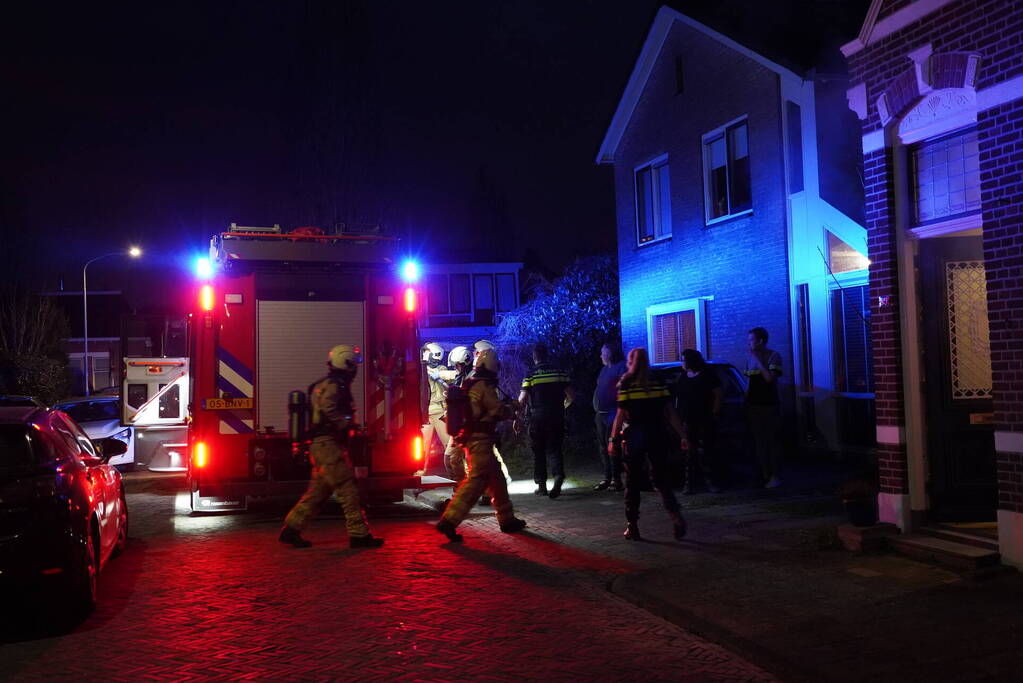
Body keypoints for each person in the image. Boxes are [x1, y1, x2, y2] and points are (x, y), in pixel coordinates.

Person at [279, 344, 384, 549]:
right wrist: (346, 424)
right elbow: (329, 407)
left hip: (321, 446)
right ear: (347, 364)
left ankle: (292, 529)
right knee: (348, 489)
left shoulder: (326, 383)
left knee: (318, 492)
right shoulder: (336, 385)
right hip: (328, 445)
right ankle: (359, 535)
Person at [436, 348, 527, 542]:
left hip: (475, 439)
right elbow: (498, 411)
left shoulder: (473, 383)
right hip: (480, 441)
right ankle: (449, 521)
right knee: (475, 483)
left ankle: (507, 519)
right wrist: (514, 407)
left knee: (498, 480)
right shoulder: (484, 386)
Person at [608, 347, 687, 541]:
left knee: (633, 482)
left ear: (631, 362)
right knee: (661, 479)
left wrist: (612, 439)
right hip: (658, 433)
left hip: (635, 435)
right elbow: (670, 412)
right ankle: (676, 517)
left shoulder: (626, 382)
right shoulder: (657, 380)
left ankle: (632, 526)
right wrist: (682, 435)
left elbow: (620, 415)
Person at [516, 343, 574, 498]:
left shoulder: (531, 374)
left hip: (537, 417)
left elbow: (522, 399)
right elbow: (571, 397)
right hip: (556, 416)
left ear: (534, 357)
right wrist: (562, 408)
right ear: (547, 355)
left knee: (538, 451)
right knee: (555, 448)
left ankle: (541, 486)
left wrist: (516, 415)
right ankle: (558, 475)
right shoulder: (560, 372)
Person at [675, 349, 723, 494]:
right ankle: (689, 484)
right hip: (688, 420)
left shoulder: (707, 374)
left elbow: (718, 394)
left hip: (704, 419)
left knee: (705, 452)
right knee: (689, 453)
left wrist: (715, 412)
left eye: (684, 360)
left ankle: (710, 482)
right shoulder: (683, 376)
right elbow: (679, 397)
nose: (682, 362)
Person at [744, 327, 784, 488]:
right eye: (748, 341)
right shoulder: (749, 358)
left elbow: (769, 380)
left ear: (761, 341)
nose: (749, 344)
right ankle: (764, 474)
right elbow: (749, 383)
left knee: (772, 441)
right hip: (754, 405)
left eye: (751, 340)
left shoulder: (774, 356)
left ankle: (775, 475)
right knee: (759, 442)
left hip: (769, 405)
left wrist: (758, 360)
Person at [592, 342, 627, 492]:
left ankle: (616, 479)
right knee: (602, 447)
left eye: (602, 352)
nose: (600, 355)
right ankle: (607, 477)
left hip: (613, 413)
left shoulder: (621, 367)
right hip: (601, 414)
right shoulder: (604, 370)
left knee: (612, 446)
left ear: (610, 353)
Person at [422, 341, 456, 474]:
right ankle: (419, 479)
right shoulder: (421, 369)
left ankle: (458, 476)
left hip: (440, 412)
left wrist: (440, 375)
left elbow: (452, 375)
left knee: (451, 446)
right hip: (425, 415)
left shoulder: (440, 370)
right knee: (422, 450)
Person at [442, 345, 472, 484]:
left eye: (457, 366)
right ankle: (463, 486)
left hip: (468, 425)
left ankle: (465, 488)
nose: (455, 369)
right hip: (460, 425)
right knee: (450, 459)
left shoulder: (473, 380)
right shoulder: (463, 378)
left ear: (464, 364)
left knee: (455, 459)